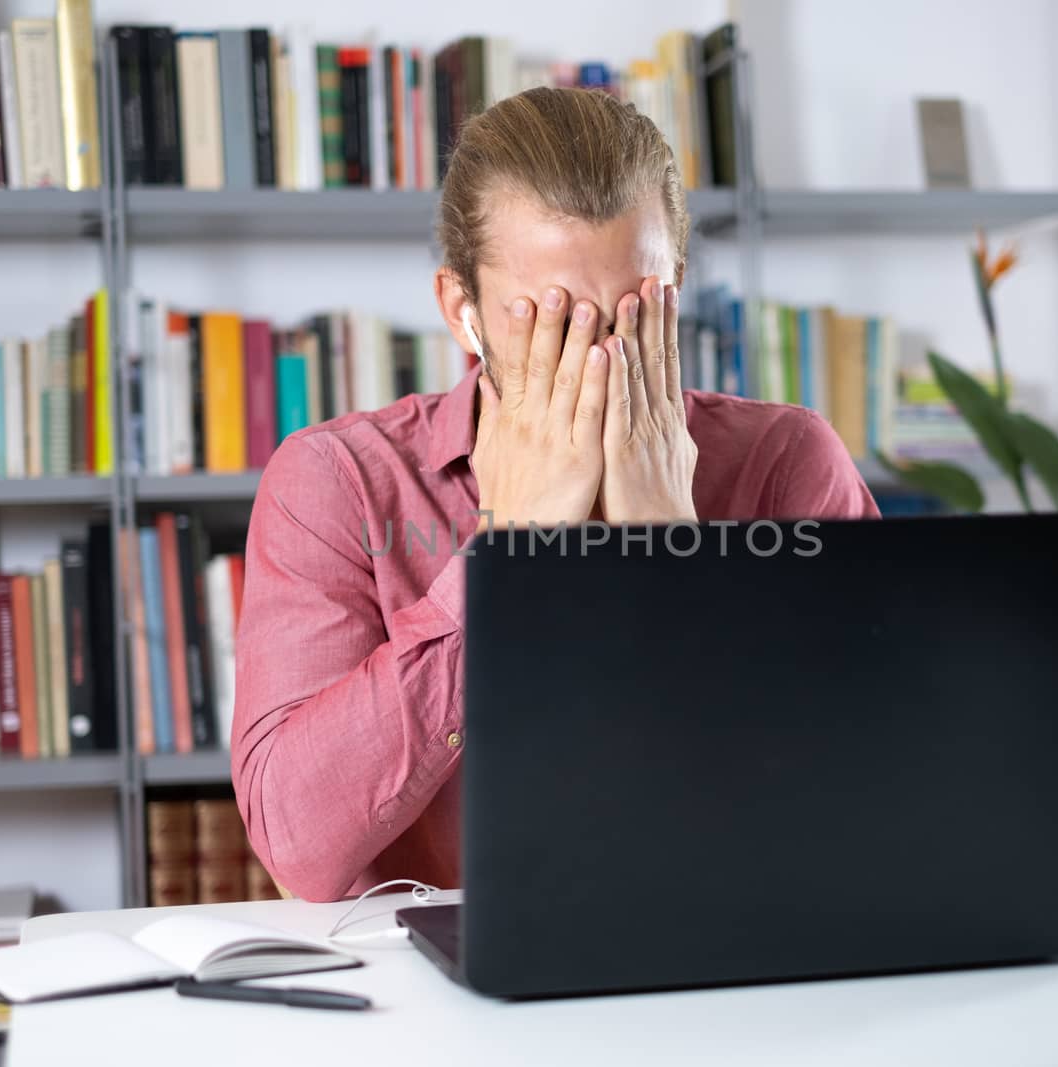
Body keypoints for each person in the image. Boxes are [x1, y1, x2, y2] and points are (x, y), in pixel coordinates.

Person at [233, 86, 879, 902]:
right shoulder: (338, 480)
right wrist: (505, 555)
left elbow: (864, 795)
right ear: (461, 311)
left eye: (633, 317)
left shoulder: (786, 461)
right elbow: (297, 843)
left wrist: (679, 553)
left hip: (730, 960)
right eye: (554, 324)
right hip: (431, 1000)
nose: (600, 361)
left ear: (673, 283)